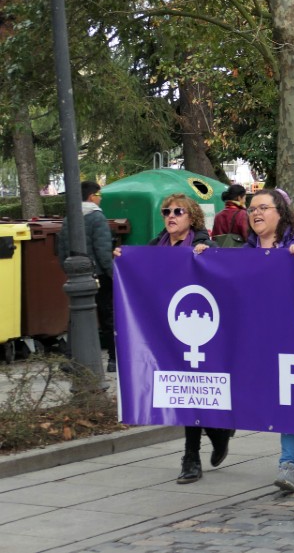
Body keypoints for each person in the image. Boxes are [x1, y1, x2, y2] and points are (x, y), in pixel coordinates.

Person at [197, 188, 294, 494]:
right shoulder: (247, 251)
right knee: (289, 397)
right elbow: (228, 278)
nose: (255, 213)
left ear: (281, 212)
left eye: (263, 207)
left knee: (291, 395)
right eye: (252, 208)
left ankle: (287, 463)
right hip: (264, 340)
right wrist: (207, 259)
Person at [118, 194, 233, 484]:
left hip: (200, 331)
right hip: (168, 332)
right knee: (183, 392)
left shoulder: (204, 245)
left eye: (178, 211)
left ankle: (193, 454)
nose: (171, 216)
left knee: (193, 390)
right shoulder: (156, 247)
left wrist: (206, 257)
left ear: (191, 217)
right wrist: (123, 260)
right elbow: (140, 276)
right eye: (166, 211)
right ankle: (213, 436)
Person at [56, 181, 116, 372]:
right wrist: (112, 273)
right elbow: (103, 250)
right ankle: (114, 359)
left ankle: (71, 358)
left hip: (75, 276)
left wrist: (70, 272)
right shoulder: (97, 218)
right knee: (107, 316)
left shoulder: (69, 218)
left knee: (76, 317)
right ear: (92, 196)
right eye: (100, 196)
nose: (100, 199)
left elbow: (62, 250)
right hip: (99, 275)